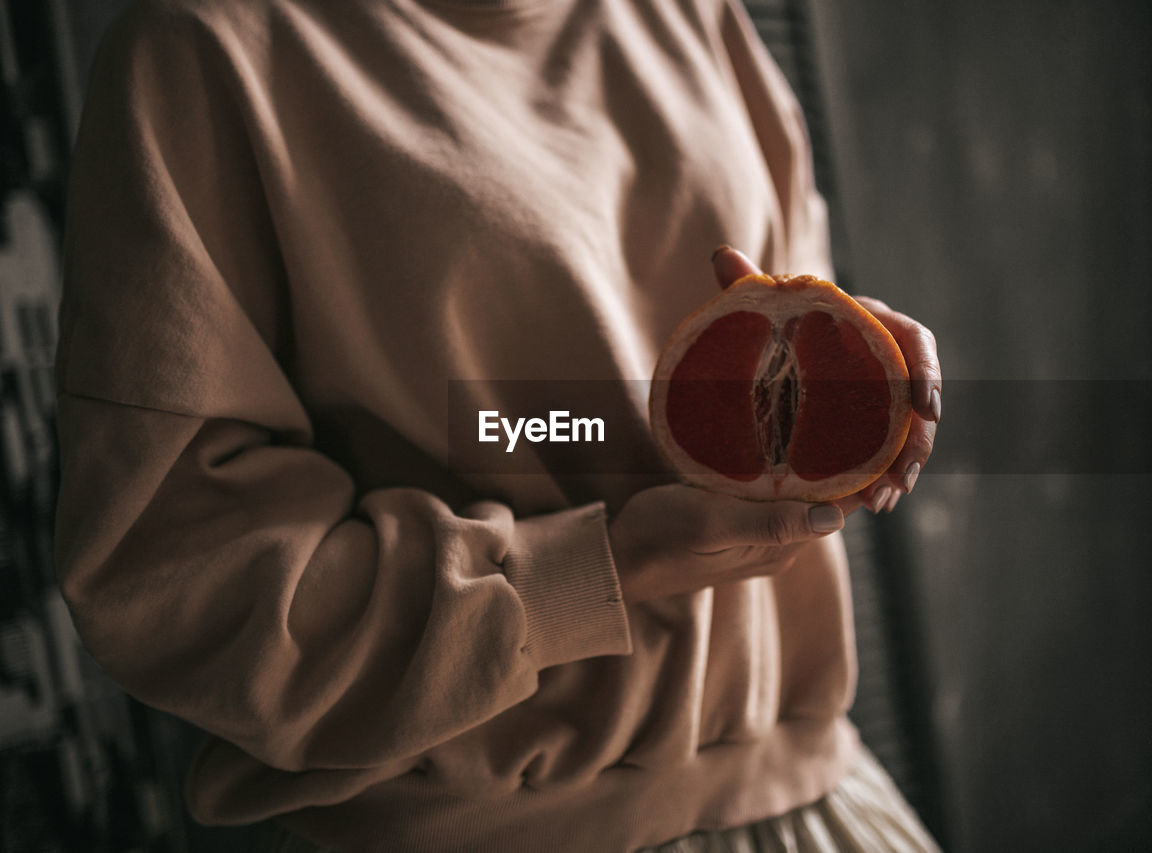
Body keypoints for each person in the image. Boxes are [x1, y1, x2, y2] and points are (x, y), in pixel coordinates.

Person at [53, 0, 942, 850]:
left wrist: (857, 380)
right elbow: (174, 578)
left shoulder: (699, 18)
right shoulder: (203, 56)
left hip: (814, 798)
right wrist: (587, 571)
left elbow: (740, 346)